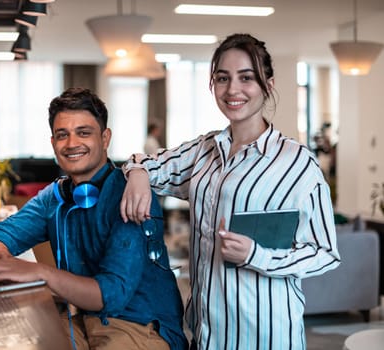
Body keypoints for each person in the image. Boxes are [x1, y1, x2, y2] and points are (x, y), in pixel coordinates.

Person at [119, 34, 340, 350]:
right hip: (207, 334)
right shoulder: (204, 150)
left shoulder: (297, 162)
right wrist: (138, 172)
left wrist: (257, 255)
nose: (232, 89)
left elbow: (325, 252)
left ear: (268, 84)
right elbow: (146, 164)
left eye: (246, 78)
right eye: (222, 78)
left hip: (265, 336)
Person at [0, 87, 188, 350]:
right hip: (82, 319)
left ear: (105, 138)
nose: (72, 143)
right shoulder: (56, 195)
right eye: (62, 135)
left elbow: (111, 294)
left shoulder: (131, 193)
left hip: (138, 326)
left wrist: (39, 272)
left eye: (84, 133)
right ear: (53, 143)